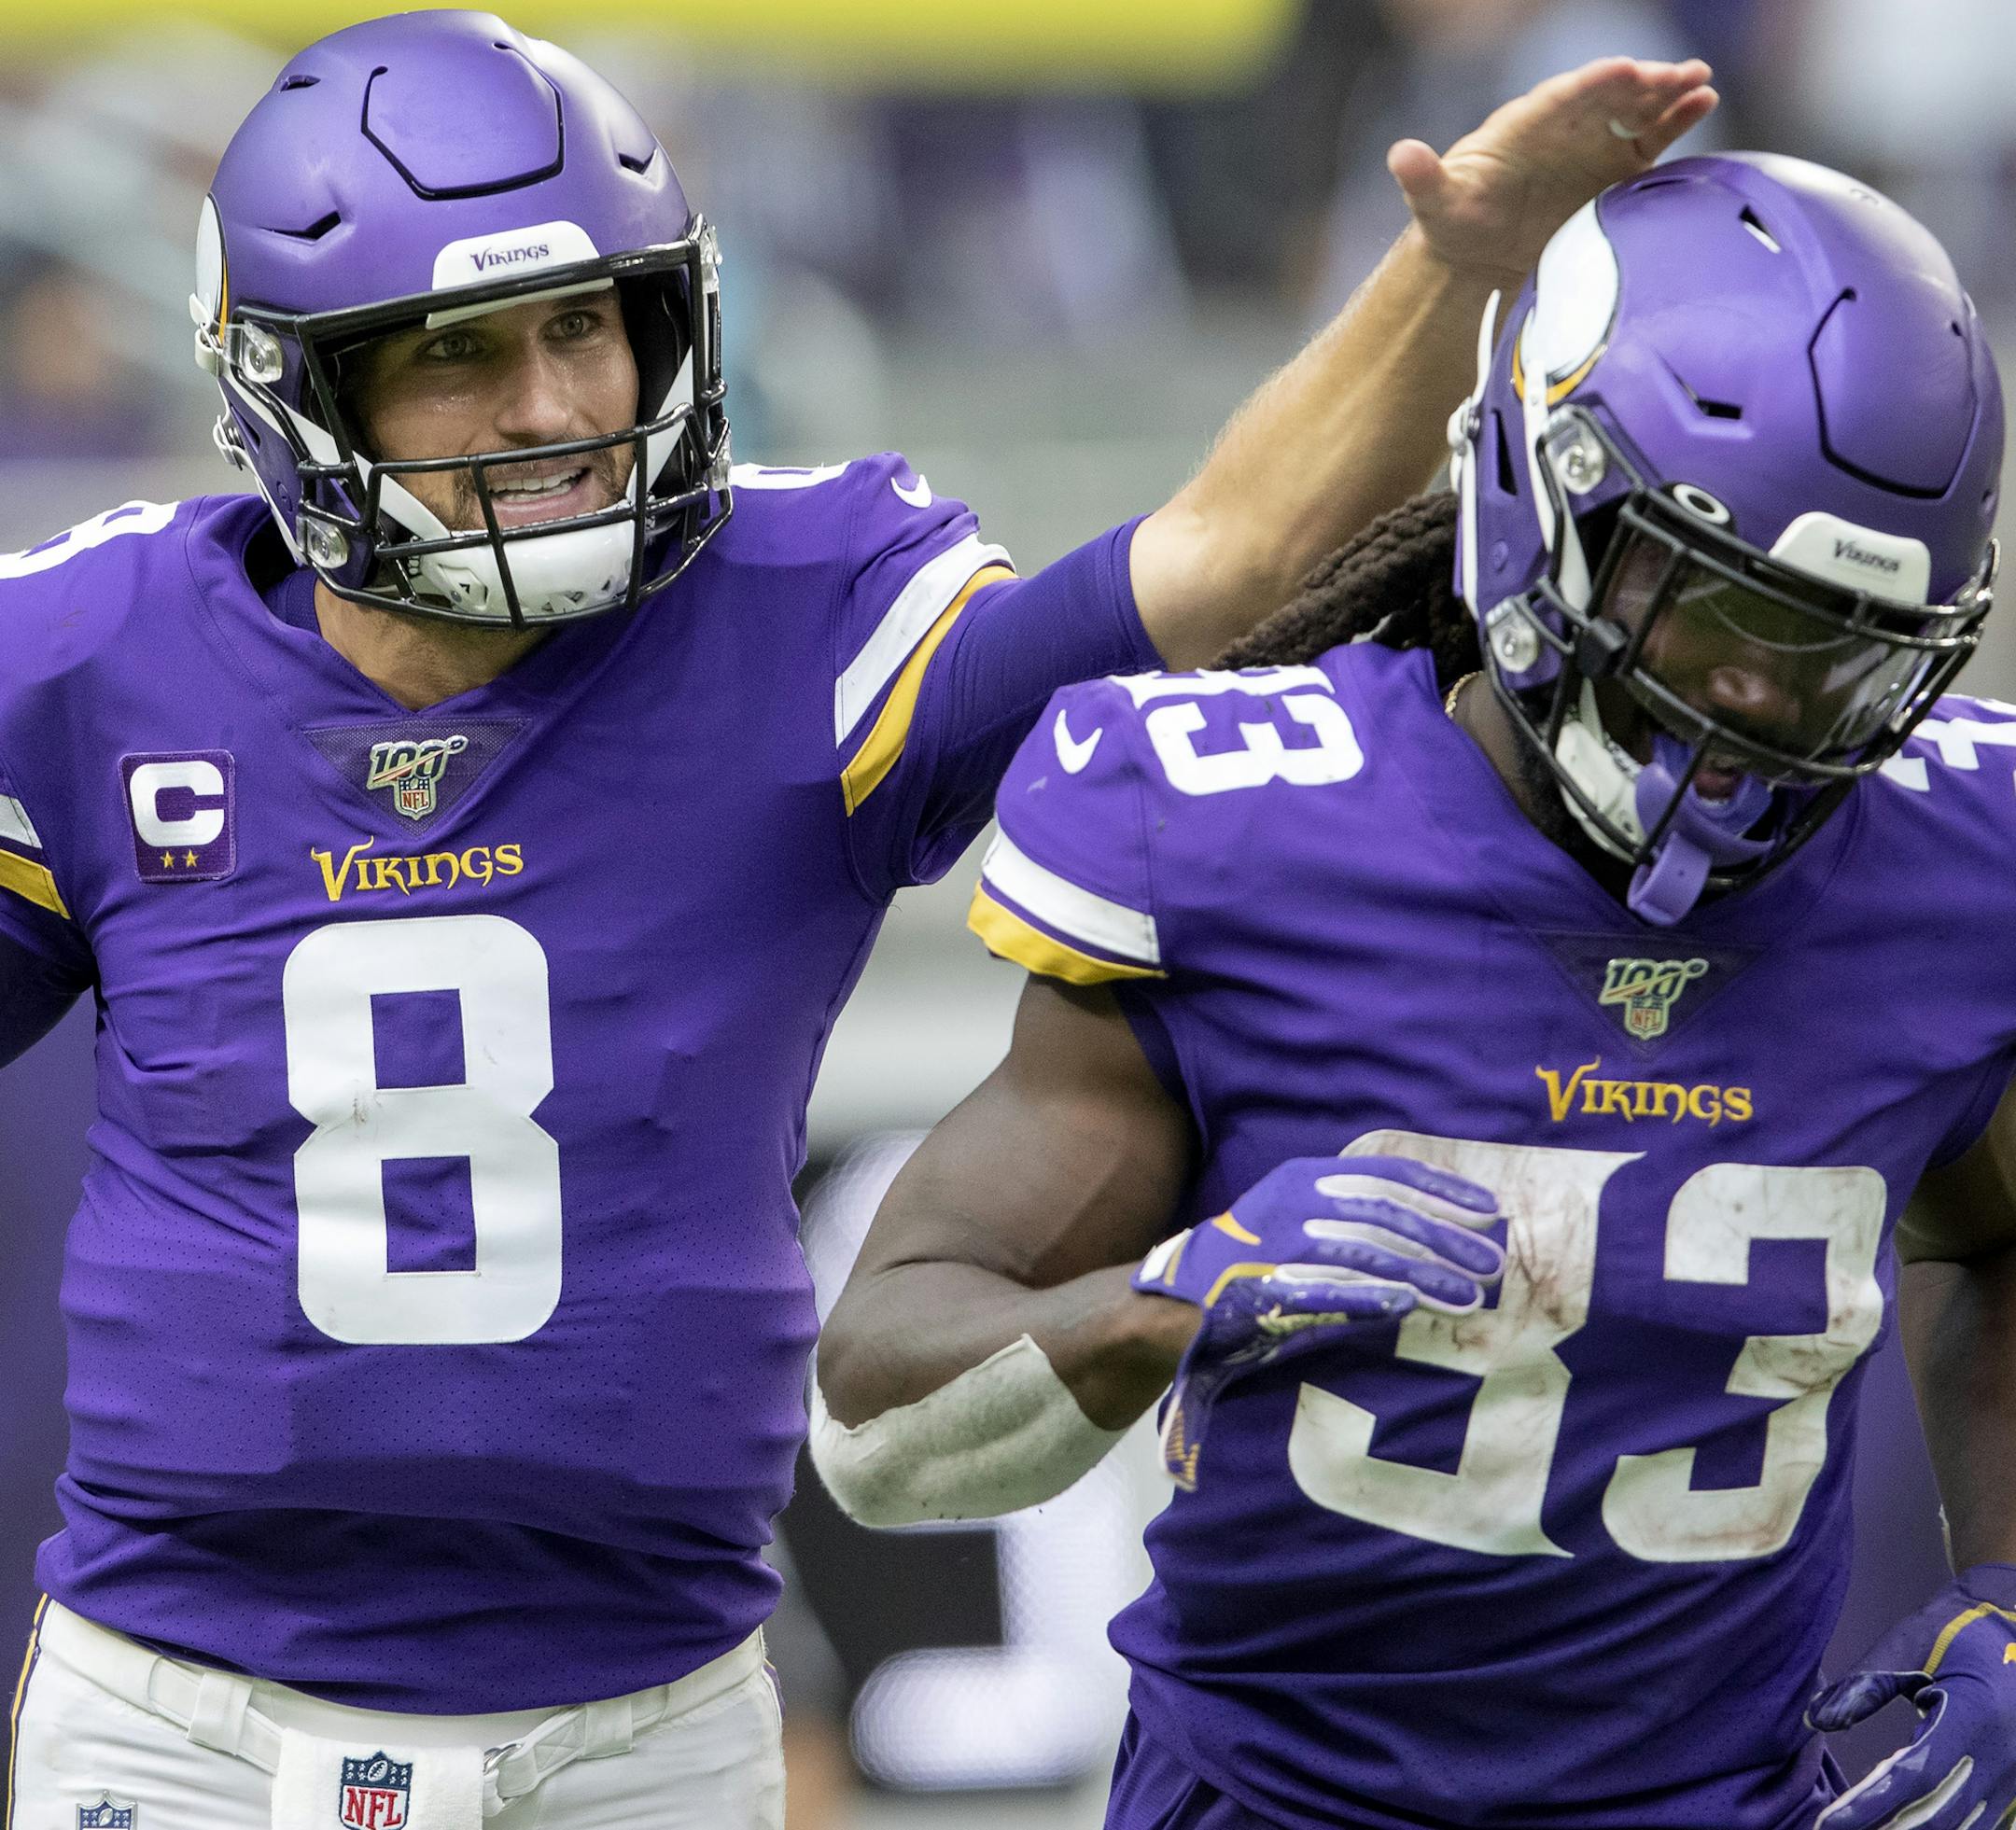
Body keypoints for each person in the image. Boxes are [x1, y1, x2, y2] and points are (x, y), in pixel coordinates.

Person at [0, 10, 1716, 1825]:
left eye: (586, 324)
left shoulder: (797, 610)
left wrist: (1454, 266)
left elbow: (1221, 570)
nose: (557, 409)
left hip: (636, 1729)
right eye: (457, 353)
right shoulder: (92, 664)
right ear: (292, 387)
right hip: (184, 1720)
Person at [812, 151, 2016, 1830]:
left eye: (1836, 645)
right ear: (1538, 497)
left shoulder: (1959, 866)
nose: (1758, 700)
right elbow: (876, 1421)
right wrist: (1171, 1296)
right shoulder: (1238, 833)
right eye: (1708, 603)